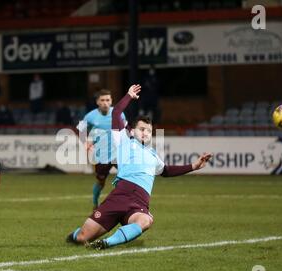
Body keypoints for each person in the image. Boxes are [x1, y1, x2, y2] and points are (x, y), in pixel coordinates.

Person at [67, 84, 212, 250]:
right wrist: (128, 95)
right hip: (119, 196)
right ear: (132, 131)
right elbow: (116, 113)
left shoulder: (153, 155)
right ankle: (75, 235)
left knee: (145, 220)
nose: (145, 133)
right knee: (82, 237)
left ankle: (106, 243)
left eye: (149, 131)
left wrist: (194, 166)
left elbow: (166, 171)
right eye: (141, 129)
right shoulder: (123, 141)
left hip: (139, 203)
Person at [76, 89, 127, 210]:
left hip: (117, 153)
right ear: (97, 102)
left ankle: (122, 204)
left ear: (111, 101)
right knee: (101, 182)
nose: (105, 103)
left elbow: (125, 130)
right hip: (101, 155)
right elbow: (80, 129)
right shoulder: (90, 116)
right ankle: (95, 203)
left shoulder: (119, 113)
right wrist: (86, 142)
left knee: (125, 178)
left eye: (107, 100)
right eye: (102, 100)